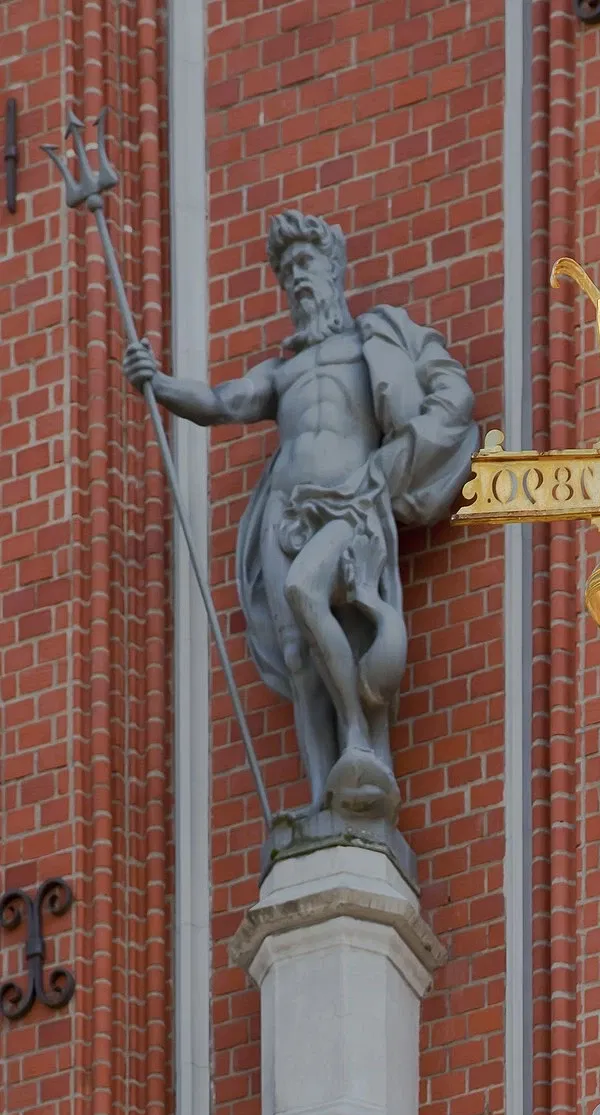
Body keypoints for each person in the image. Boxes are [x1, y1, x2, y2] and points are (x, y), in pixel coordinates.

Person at [125, 212, 476, 821]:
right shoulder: (282, 371)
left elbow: (450, 398)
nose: (298, 282)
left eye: (306, 267)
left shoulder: (372, 344)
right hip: (284, 512)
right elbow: (219, 402)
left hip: (350, 502)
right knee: (295, 654)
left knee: (302, 590)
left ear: (334, 271)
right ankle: (322, 797)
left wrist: (398, 460)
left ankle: (360, 740)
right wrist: (158, 383)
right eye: (288, 274)